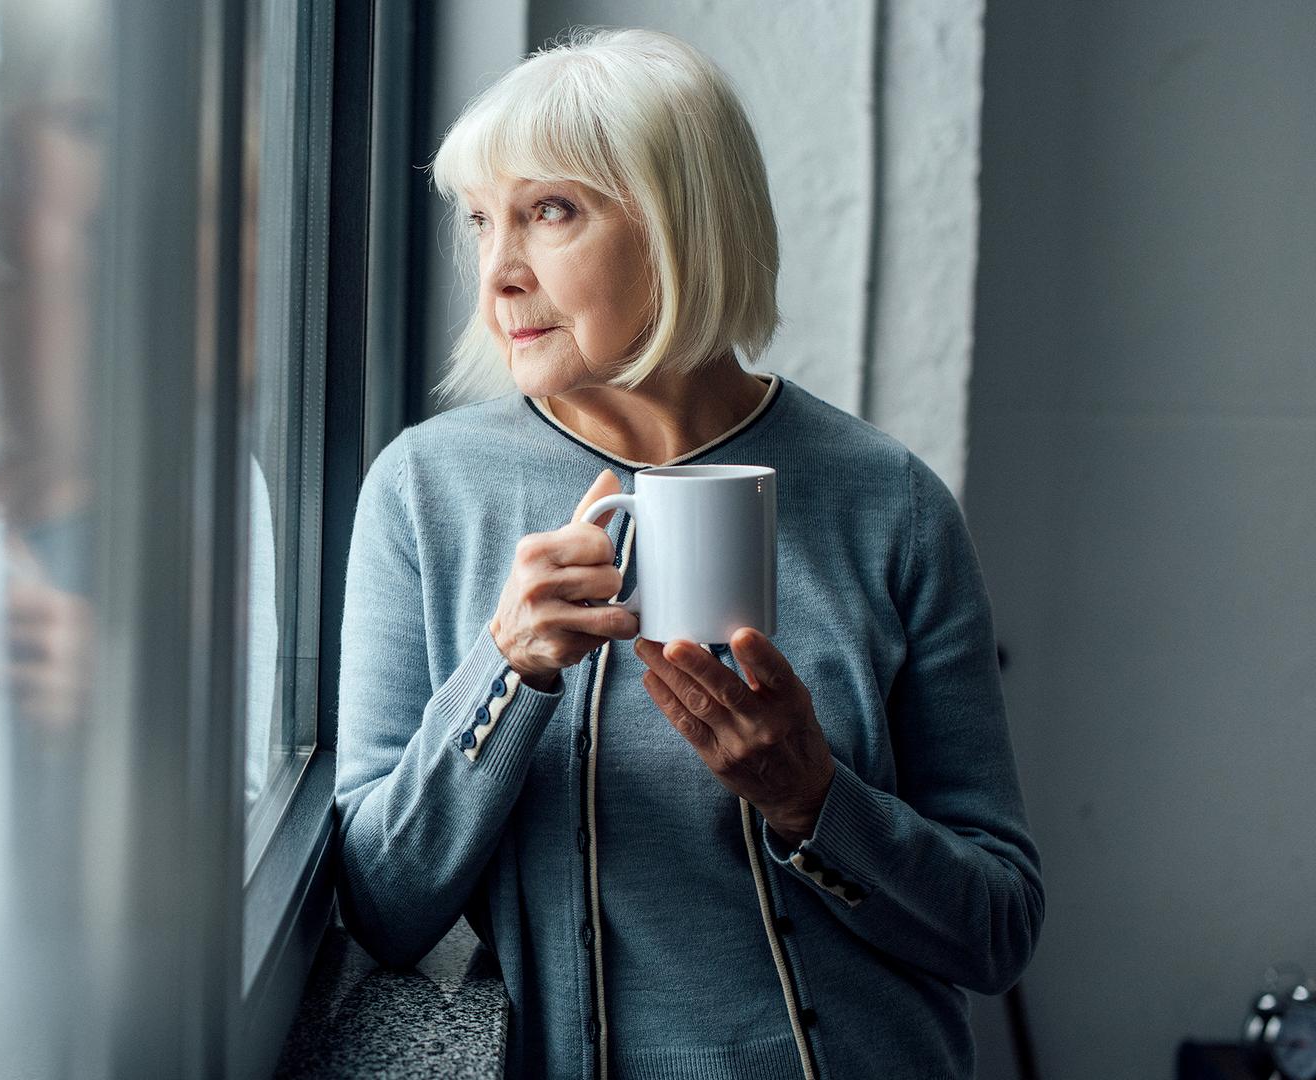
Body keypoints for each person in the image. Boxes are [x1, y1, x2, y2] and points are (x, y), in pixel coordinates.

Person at [334, 28, 1043, 1080]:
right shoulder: (424, 492)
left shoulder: (890, 503)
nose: (499, 275)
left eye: (551, 212)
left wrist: (814, 801)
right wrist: (507, 673)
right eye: (483, 222)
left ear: (680, 226)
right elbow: (383, 908)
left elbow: (998, 930)